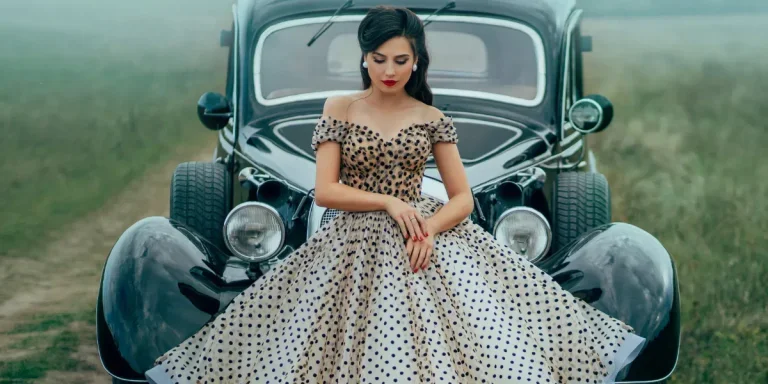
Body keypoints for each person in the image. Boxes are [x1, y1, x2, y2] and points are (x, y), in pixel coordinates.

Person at [145, 5, 645, 384]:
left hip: (426, 239)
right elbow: (325, 190)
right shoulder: (338, 106)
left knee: (474, 345)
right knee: (310, 348)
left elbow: (463, 198)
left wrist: (426, 228)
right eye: (379, 58)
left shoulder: (432, 118)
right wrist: (389, 203)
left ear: (416, 61)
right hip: (350, 242)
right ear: (363, 58)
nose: (389, 69)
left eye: (401, 59)